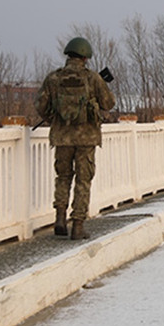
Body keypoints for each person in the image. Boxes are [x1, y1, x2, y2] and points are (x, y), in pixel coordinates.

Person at [35, 37, 115, 240]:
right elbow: (108, 104)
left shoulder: (53, 78)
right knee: (83, 180)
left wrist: (54, 118)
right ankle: (78, 225)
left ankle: (60, 218)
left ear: (68, 55)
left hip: (62, 137)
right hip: (86, 138)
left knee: (62, 177)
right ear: (86, 57)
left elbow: (41, 106)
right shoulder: (93, 78)